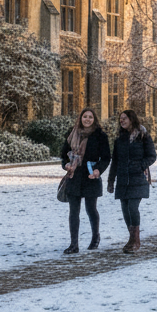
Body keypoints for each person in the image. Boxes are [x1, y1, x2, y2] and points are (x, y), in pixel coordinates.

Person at [60, 107, 111, 254]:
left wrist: (98, 170)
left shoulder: (100, 135)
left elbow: (106, 157)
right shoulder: (72, 133)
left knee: (91, 209)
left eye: (90, 117)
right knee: (73, 211)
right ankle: (74, 244)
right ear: (80, 118)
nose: (87, 119)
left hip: (91, 176)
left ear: (94, 119)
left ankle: (95, 237)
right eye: (85, 116)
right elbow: (63, 154)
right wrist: (66, 165)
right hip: (74, 176)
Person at [108, 108, 157, 253]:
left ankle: (136, 240)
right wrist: (111, 180)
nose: (121, 120)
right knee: (125, 208)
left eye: (125, 118)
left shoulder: (143, 136)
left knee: (132, 207)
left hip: (137, 178)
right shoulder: (119, 139)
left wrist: (140, 166)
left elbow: (152, 156)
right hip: (123, 179)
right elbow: (115, 161)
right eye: (120, 118)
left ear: (132, 119)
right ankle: (131, 238)